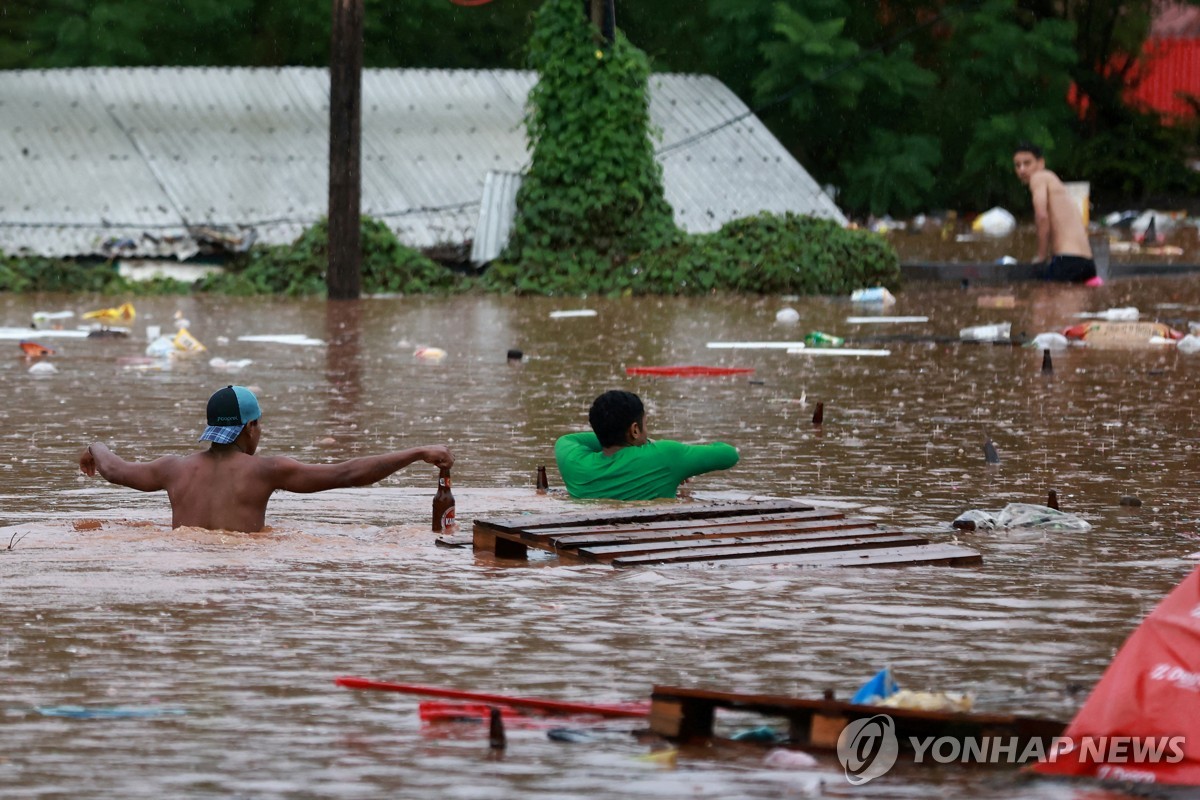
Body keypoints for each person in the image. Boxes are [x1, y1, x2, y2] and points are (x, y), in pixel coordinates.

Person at [78, 385, 454, 533]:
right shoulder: (266, 471)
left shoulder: (173, 468)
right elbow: (349, 474)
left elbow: (114, 470)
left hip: (186, 567)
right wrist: (417, 452)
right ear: (250, 427)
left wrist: (95, 447)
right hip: (245, 569)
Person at [554, 390, 739, 500]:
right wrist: (658, 450)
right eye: (646, 424)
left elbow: (569, 439)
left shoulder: (573, 462)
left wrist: (607, 434)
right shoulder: (666, 456)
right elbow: (729, 454)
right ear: (635, 430)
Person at [1012, 143, 1097, 283]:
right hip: (1086, 263)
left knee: (1043, 302)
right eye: (1017, 165)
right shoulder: (1056, 184)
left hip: (1068, 261)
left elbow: (1041, 216)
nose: (1022, 169)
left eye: (1027, 163)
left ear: (1040, 163)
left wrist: (1041, 257)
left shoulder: (1039, 177)